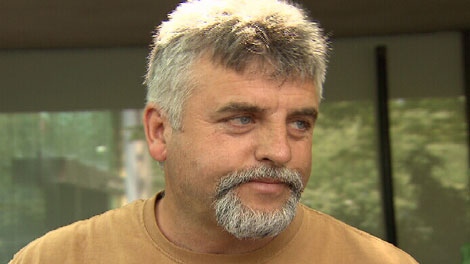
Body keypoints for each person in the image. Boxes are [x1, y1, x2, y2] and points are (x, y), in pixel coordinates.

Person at [10, 0, 418, 263]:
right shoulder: (57, 259)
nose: (280, 151)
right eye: (241, 119)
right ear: (159, 131)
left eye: (299, 123)